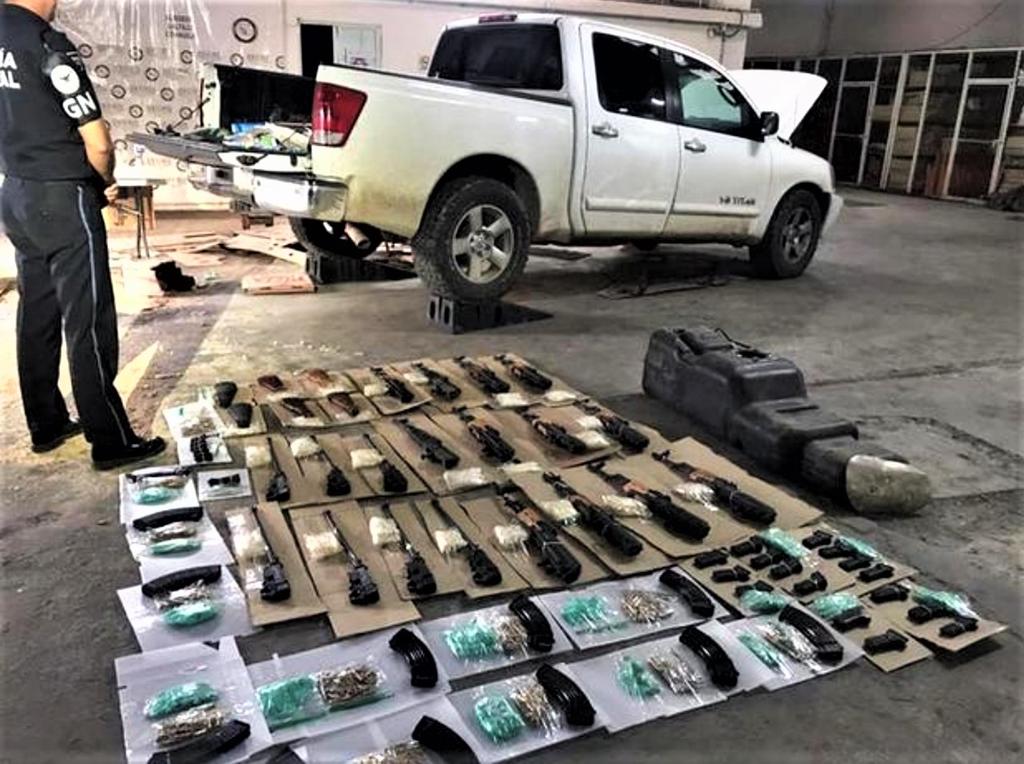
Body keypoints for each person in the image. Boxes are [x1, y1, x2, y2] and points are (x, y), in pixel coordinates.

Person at [0, 0, 165, 469]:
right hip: (63, 194)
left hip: (15, 191)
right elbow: (98, 141)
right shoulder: (47, 44)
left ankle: (46, 423)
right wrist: (100, 182)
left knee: (37, 311)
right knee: (88, 318)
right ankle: (111, 439)